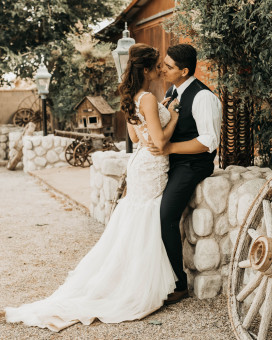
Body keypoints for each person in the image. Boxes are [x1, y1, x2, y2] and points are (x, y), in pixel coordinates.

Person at [1, 43, 180, 332]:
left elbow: (136, 135)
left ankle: (122, 274)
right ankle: (134, 282)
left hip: (140, 164)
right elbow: (159, 143)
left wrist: (158, 124)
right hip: (152, 165)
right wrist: (174, 117)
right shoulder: (148, 98)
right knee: (144, 218)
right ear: (146, 70)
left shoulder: (134, 97)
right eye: (157, 65)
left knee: (135, 219)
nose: (160, 70)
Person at [149, 44, 222, 305]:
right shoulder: (172, 91)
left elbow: (208, 141)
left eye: (168, 66)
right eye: (163, 64)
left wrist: (169, 147)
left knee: (167, 215)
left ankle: (180, 285)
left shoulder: (203, 97)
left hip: (193, 164)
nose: (163, 69)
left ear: (184, 71)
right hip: (172, 161)